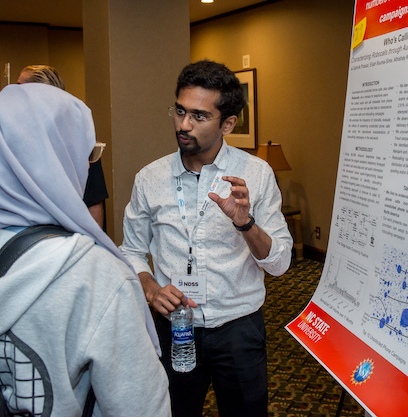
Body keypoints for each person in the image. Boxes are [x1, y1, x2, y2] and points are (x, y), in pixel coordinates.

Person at [0, 84, 170, 416]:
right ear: (55, 162)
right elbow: (139, 407)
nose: (86, 168)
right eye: (85, 154)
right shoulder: (95, 275)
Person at [121, 60, 292, 416]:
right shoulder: (149, 178)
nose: (184, 125)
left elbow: (279, 264)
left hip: (239, 330)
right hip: (176, 328)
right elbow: (131, 251)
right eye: (180, 111)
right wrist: (151, 289)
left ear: (227, 123)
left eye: (199, 116)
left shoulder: (256, 175)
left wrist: (246, 224)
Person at [16, 64, 109, 229]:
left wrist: (92, 248)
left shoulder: (82, 144)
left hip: (66, 240)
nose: (12, 94)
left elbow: (93, 204)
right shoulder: (14, 140)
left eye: (18, 87)